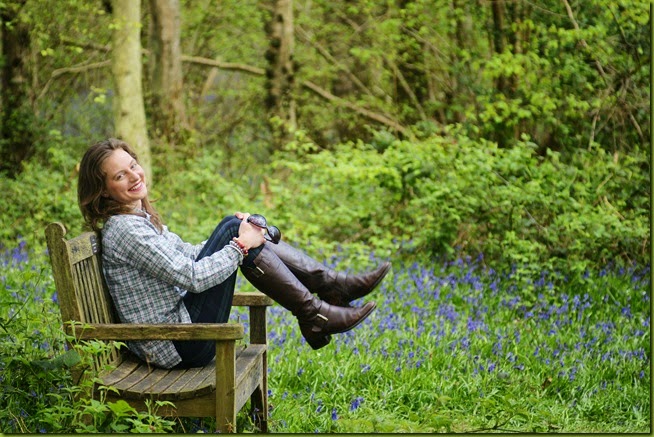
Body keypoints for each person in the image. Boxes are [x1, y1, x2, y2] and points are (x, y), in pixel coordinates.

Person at [77, 138, 390, 369]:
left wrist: (241, 237)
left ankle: (322, 301)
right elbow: (193, 277)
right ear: (103, 189)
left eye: (133, 165)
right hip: (177, 344)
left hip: (181, 331)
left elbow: (187, 253)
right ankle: (322, 303)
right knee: (235, 231)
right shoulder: (126, 230)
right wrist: (239, 243)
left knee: (235, 227)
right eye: (120, 176)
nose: (134, 176)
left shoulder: (136, 221)